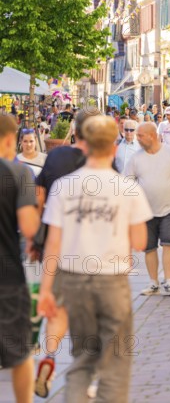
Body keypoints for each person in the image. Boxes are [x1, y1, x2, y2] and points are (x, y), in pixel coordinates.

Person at [37, 116, 151, 403]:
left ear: (83, 145)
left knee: (82, 358)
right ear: (114, 147)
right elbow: (140, 242)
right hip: (112, 281)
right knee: (115, 361)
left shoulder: (63, 187)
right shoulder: (127, 189)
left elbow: (53, 243)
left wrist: (47, 290)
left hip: (74, 281)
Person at [33, 109, 103, 398]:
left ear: (75, 129)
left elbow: (39, 196)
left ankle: (49, 356)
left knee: (58, 310)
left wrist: (37, 234)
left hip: (57, 243)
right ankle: (84, 376)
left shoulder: (56, 156)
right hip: (89, 247)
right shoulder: (102, 162)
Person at [126, 123, 170, 296]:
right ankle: (153, 282)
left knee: (168, 244)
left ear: (151, 135)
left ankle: (169, 281)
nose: (137, 138)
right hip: (145, 212)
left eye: (140, 135)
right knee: (149, 248)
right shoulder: (136, 158)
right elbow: (127, 185)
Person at [0, 114, 39, 403]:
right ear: (11, 139)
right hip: (7, 278)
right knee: (19, 351)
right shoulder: (20, 174)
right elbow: (28, 227)